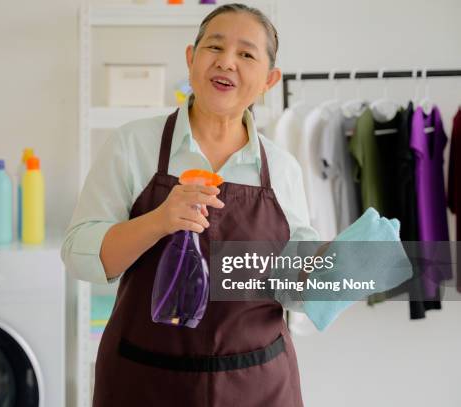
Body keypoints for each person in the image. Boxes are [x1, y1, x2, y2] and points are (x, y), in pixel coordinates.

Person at [62, 4, 318, 406]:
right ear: (190, 58)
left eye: (246, 54)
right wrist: (158, 221)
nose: (227, 62)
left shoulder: (283, 169)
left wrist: (336, 271)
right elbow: (79, 256)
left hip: (258, 385)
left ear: (269, 80)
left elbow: (299, 288)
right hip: (145, 381)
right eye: (214, 47)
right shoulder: (133, 146)